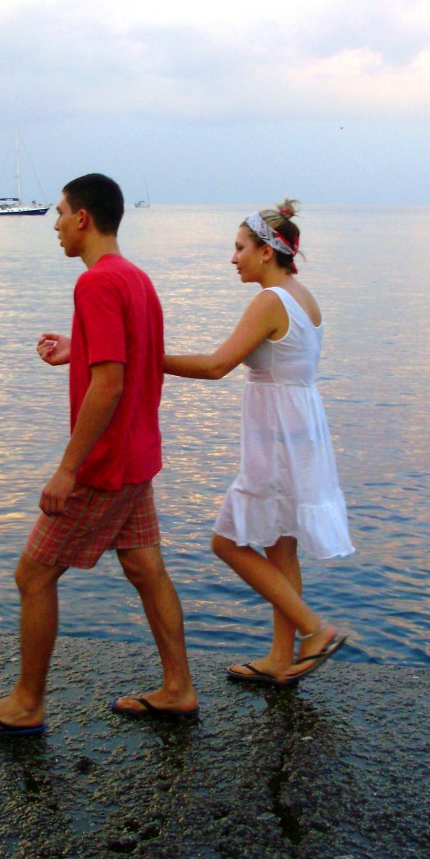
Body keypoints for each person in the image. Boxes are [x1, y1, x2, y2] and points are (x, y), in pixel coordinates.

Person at [0, 173, 198, 736]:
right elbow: (134, 356)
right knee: (145, 568)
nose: (57, 226)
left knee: (33, 576)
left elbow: (109, 384)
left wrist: (68, 469)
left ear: (83, 218)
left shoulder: (95, 283)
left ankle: (27, 703)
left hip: (103, 466)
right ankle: (179, 688)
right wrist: (79, 348)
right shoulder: (136, 279)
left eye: (61, 214)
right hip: (138, 456)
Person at [164, 199, 354, 686]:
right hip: (299, 435)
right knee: (280, 549)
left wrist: (145, 356)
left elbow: (216, 366)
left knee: (226, 542)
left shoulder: (270, 301)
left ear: (266, 251)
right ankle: (280, 658)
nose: (233, 258)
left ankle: (315, 630)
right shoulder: (303, 297)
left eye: (240, 248)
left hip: (277, 444)